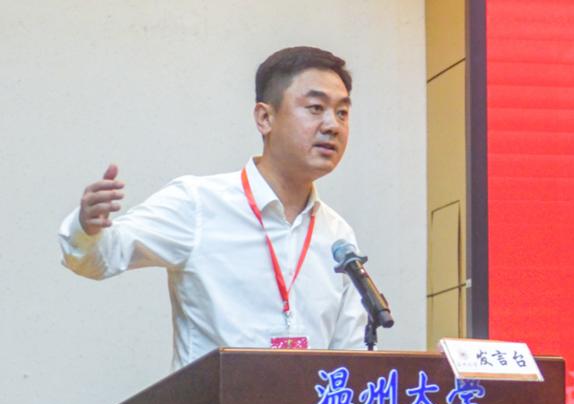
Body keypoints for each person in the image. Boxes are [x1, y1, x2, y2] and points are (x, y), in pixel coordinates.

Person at [58, 46, 367, 370]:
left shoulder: (338, 236)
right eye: (316, 108)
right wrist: (88, 227)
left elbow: (353, 357)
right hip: (210, 403)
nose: (332, 125)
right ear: (265, 118)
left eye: (342, 113)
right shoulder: (198, 205)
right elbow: (99, 259)